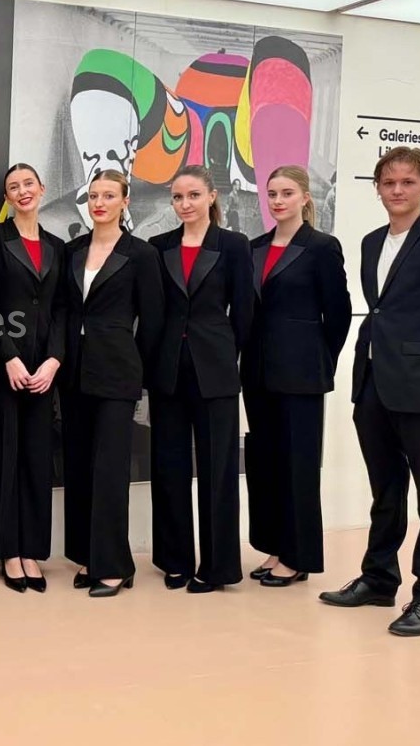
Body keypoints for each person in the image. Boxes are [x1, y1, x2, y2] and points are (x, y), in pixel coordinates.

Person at [320, 146, 420, 636]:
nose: (397, 191)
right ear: (377, 188)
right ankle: (378, 578)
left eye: (408, 182)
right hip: (373, 381)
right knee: (384, 490)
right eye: (389, 183)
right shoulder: (372, 242)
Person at [242, 165, 351, 587]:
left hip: (302, 371)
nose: (278, 200)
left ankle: (299, 554)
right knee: (266, 461)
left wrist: (319, 356)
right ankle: (275, 547)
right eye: (272, 193)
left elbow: (338, 313)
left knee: (299, 465)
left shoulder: (322, 247)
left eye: (287, 192)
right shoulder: (254, 247)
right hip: (257, 369)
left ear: (305, 198)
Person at [148, 165, 254, 593]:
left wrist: (230, 359)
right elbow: (153, 313)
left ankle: (217, 566)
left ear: (211, 196)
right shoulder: (158, 246)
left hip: (216, 371)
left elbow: (245, 313)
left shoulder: (233, 245)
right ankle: (174, 560)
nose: (184, 204)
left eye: (192, 195)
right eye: (177, 198)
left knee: (219, 470)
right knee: (169, 467)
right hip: (168, 370)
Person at [60, 170, 163, 597]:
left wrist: (137, 368)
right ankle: (88, 556)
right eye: (94, 195)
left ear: (125, 201)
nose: (99, 202)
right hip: (75, 370)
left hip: (118, 369)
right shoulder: (72, 250)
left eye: (109, 196)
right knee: (80, 465)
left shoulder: (140, 254)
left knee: (110, 469)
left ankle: (115, 566)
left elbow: (154, 320)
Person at [0, 163, 64, 593]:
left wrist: (53, 361)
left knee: (36, 459)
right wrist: (7, 356)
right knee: (6, 457)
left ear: (41, 189)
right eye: (13, 187)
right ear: (7, 198)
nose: (22, 191)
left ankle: (32, 549)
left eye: (28, 184)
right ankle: (9, 551)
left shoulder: (56, 246)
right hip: (4, 368)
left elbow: (63, 311)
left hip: (44, 369)